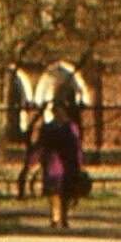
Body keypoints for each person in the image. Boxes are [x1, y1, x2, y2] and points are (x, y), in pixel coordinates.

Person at [33, 93, 86, 232]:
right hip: (53, 162)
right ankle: (55, 218)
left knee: (66, 191)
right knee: (53, 190)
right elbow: (41, 144)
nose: (58, 112)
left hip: (69, 163)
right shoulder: (48, 127)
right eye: (55, 110)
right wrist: (36, 159)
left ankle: (64, 217)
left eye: (60, 109)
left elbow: (77, 146)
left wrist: (79, 163)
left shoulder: (71, 127)